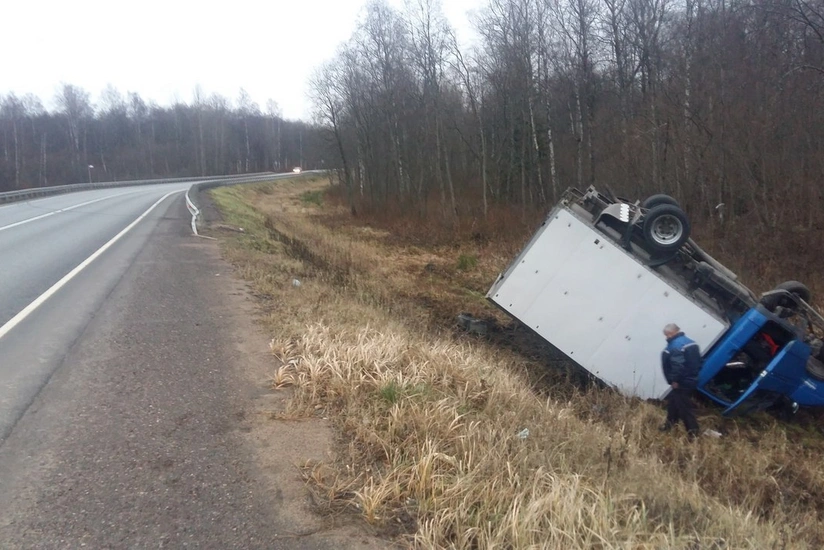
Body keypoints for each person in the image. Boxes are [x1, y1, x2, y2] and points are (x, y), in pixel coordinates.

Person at [660, 323, 701, 439]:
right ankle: (669, 425)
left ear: (671, 333)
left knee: (684, 409)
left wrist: (675, 380)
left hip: (682, 382)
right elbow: (699, 362)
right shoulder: (691, 342)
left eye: (667, 335)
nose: (666, 337)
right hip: (691, 379)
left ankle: (693, 433)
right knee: (673, 404)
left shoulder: (675, 345)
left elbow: (677, 365)